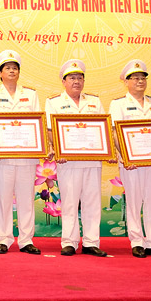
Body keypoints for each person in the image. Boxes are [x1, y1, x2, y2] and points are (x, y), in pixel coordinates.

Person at [108, 59, 151, 258]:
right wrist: (125, 156)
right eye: (134, 78)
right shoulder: (118, 104)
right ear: (126, 82)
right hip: (131, 163)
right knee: (134, 201)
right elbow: (114, 132)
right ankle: (137, 241)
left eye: (142, 78)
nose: (140, 81)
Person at [44, 59, 108, 257]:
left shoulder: (94, 102)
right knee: (69, 202)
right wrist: (58, 150)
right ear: (64, 81)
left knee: (92, 201)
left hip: (92, 160)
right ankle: (69, 242)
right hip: (68, 161)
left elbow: (102, 128)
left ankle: (91, 242)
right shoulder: (54, 102)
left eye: (80, 78)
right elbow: (49, 130)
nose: (76, 81)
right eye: (72, 78)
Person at [0, 50, 41, 255]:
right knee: (3, 199)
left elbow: (37, 123)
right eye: (7, 68)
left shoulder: (31, 95)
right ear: (0, 73)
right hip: (2, 156)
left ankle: (26, 240)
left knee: (26, 199)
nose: (11, 71)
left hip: (27, 155)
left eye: (15, 68)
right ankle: (3, 239)